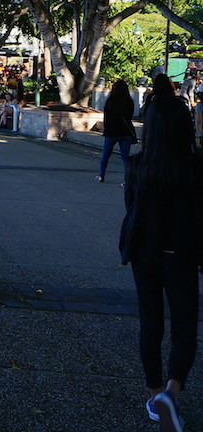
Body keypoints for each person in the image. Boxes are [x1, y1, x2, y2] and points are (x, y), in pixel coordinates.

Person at [119, 93, 203, 431]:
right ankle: (172, 390)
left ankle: (155, 395)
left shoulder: (138, 165)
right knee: (185, 328)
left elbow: (131, 208)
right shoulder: (196, 167)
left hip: (144, 253)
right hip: (181, 255)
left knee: (150, 323)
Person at [97, 79, 137, 183]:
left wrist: (106, 129)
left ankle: (101, 175)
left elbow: (106, 118)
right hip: (125, 132)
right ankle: (127, 180)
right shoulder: (129, 102)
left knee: (106, 155)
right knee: (125, 158)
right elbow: (129, 117)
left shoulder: (110, 101)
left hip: (112, 132)